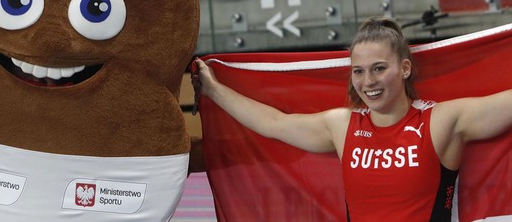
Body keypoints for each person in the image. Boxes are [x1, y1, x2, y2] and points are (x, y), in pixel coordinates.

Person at [193, 16, 512, 221]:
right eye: (358, 71)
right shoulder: (342, 126)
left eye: (378, 68)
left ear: (404, 68)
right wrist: (213, 90)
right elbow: (274, 124)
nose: (368, 82)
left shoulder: (442, 120)